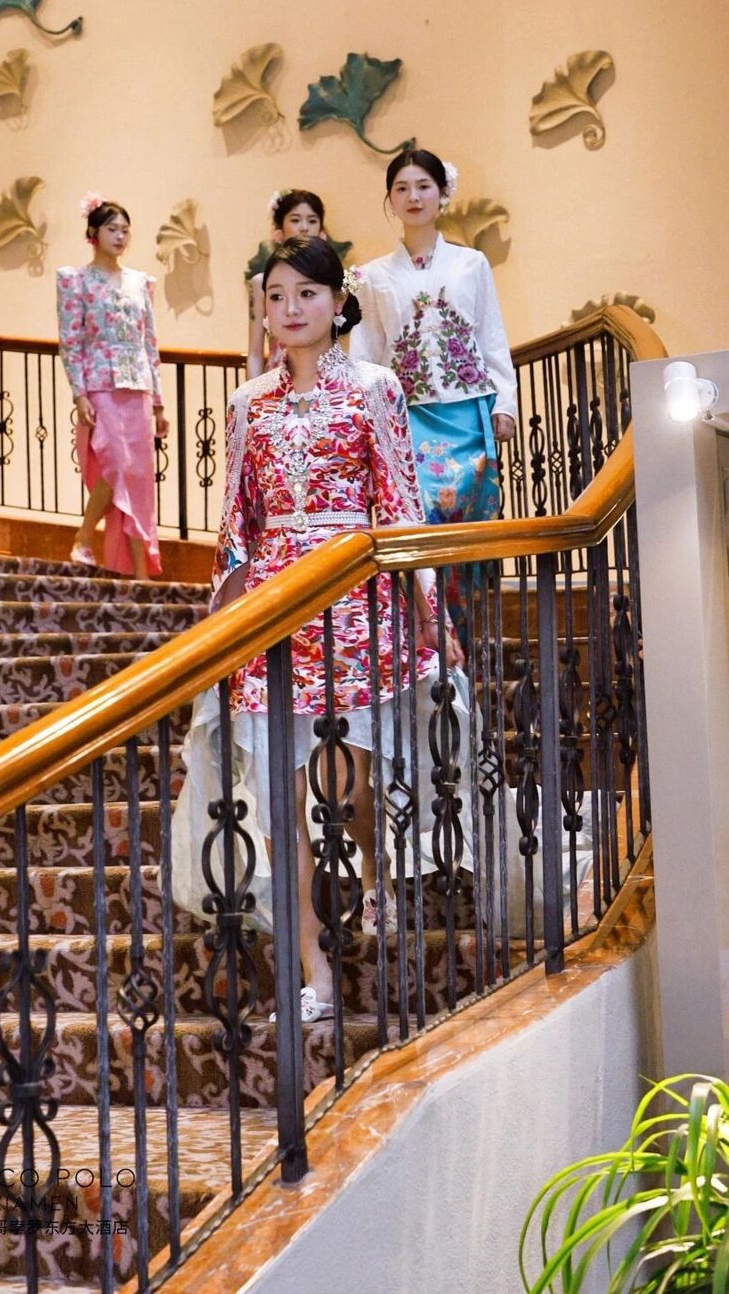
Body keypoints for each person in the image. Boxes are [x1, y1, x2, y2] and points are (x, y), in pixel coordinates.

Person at [173, 236, 465, 1024]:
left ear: (337, 303)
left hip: (350, 601)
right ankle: (314, 970)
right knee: (278, 801)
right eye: (275, 296)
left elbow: (399, 501)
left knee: (344, 786)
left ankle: (373, 874)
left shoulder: (375, 388)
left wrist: (428, 607)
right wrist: (223, 619)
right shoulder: (247, 403)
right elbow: (236, 522)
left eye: (306, 293)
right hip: (273, 610)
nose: (290, 308)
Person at [350, 149, 517, 560]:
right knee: (416, 515)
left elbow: (490, 336)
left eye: (424, 186)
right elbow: (366, 352)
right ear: (390, 199)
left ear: (442, 193)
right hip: (406, 416)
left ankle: (468, 603)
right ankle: (426, 602)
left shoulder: (471, 263)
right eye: (402, 188)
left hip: (468, 410)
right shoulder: (372, 276)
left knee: (470, 519)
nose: (413, 197)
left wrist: (505, 403)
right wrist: (365, 417)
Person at [56, 195, 169, 580]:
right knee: (116, 465)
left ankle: (140, 571)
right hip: (100, 384)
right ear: (93, 233)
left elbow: (149, 343)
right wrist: (79, 393)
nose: (120, 236)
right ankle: (84, 536)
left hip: (138, 385)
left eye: (125, 230)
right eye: (111, 229)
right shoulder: (77, 281)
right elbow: (71, 341)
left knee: (138, 477)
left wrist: (159, 403)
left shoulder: (140, 282)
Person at [246, 189, 328, 378]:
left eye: (312, 221)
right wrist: (250, 393)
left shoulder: (332, 282)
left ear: (321, 231)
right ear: (279, 231)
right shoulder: (262, 283)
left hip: (326, 378)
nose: (304, 228)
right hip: (278, 377)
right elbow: (255, 353)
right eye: (295, 220)